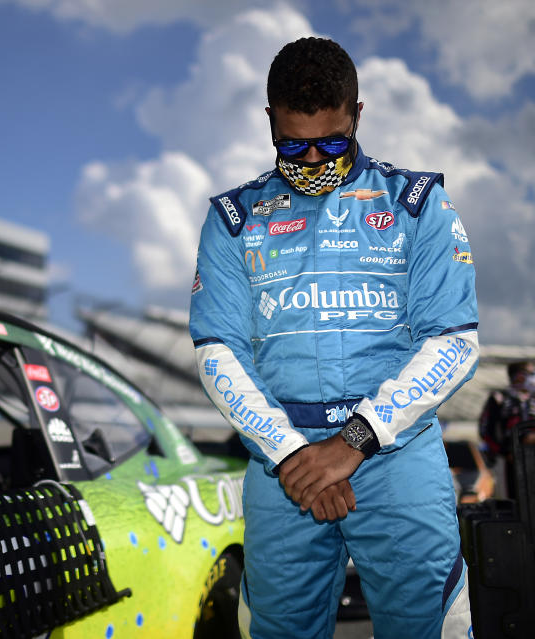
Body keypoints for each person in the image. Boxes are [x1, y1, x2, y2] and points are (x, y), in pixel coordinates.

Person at [189, 37, 478, 637]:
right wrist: (294, 454)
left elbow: (454, 342)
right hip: (283, 465)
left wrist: (352, 442)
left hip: (397, 457)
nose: (315, 158)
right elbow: (218, 350)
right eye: (294, 144)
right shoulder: (233, 219)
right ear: (268, 119)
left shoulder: (418, 204)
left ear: (357, 114)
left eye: (333, 141)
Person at [478, 360, 535, 498]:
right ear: (518, 376)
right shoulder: (500, 398)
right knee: (514, 499)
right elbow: (485, 429)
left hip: (532, 456)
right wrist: (504, 452)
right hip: (509, 459)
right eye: (530, 373)